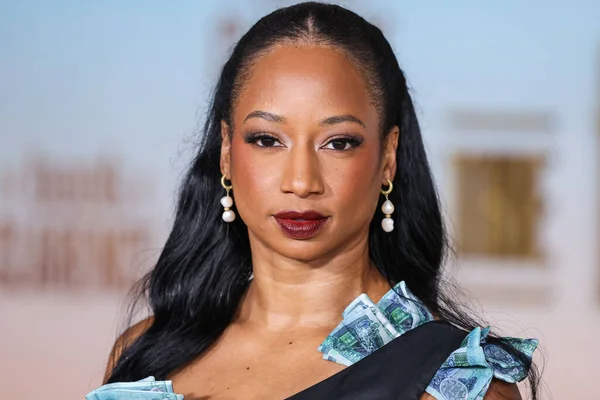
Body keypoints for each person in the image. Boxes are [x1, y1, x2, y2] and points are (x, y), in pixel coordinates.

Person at [88, 2, 540, 399]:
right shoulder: (143, 352)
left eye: (338, 143)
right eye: (267, 140)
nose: (301, 182)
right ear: (227, 151)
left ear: (387, 157)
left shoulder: (452, 381)